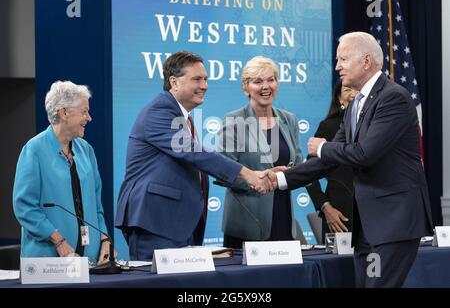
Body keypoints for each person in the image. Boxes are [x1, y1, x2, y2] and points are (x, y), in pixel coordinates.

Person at [265, 32, 433, 287]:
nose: (337, 66)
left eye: (343, 59)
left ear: (366, 61)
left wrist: (323, 147)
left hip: (392, 222)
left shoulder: (393, 97)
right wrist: (278, 179)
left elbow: (365, 153)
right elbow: (329, 160)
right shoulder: (356, 104)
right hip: (367, 225)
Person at [115, 51, 273, 260]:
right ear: (174, 82)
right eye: (197, 79)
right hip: (156, 223)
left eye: (205, 79)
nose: (204, 85)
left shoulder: (181, 116)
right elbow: (194, 153)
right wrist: (247, 174)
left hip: (178, 225)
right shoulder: (158, 112)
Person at [13, 80, 112, 264]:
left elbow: (97, 207)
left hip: (89, 261)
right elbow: (25, 207)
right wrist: (59, 241)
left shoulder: (86, 150)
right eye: (84, 111)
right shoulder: (34, 150)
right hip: (49, 262)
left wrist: (105, 240)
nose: (89, 118)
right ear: (64, 112)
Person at [218, 56, 305, 249]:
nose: (266, 86)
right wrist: (259, 182)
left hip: (282, 218)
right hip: (246, 224)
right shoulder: (234, 120)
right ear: (246, 87)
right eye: (258, 81)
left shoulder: (289, 120)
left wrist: (283, 177)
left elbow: (298, 165)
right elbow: (223, 171)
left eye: (271, 79)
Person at [306, 79, 357, 241]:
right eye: (348, 89)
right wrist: (326, 207)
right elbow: (308, 174)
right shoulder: (328, 127)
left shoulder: (376, 126)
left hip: (374, 215)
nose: (354, 94)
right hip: (339, 217)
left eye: (358, 89)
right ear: (339, 98)